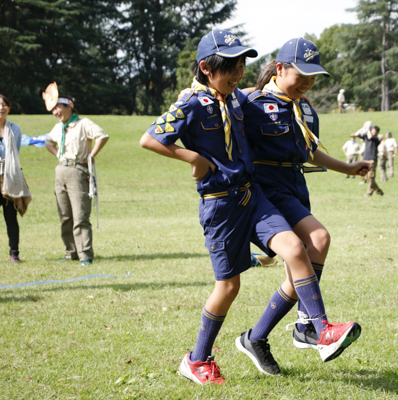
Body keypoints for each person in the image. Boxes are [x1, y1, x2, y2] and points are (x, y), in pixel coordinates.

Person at [141, 31, 363, 385]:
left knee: (295, 247)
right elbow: (149, 138)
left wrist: (348, 167)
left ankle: (319, 329)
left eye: (242, 64)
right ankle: (197, 359)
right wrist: (193, 157)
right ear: (206, 67)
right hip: (220, 205)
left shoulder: (235, 100)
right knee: (229, 287)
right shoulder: (197, 103)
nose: (238, 72)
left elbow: (283, 125)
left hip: (252, 194)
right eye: (229, 66)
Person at [239, 37, 367, 373]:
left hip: (294, 184)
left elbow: (309, 151)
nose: (307, 84)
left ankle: (270, 334)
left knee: (318, 244)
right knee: (301, 250)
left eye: (313, 78)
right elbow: (216, 109)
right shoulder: (251, 102)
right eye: (302, 76)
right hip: (264, 187)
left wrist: (348, 167)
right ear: (279, 69)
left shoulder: (304, 107)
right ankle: (317, 328)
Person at [43, 83, 108, 266]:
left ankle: (85, 254)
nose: (56, 111)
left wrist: (91, 155)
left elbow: (102, 136)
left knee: (80, 215)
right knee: (65, 215)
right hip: (60, 170)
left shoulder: (83, 123)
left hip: (78, 171)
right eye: (53, 108)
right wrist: (57, 155)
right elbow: (49, 142)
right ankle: (70, 252)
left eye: (59, 107)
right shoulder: (58, 127)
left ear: (69, 106)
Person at [0, 94, 30, 263]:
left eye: (4, 104)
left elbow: (15, 153)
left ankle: (14, 253)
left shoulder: (15, 129)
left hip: (9, 178)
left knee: (11, 217)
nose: (1, 108)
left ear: (9, 108)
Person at [355, 124, 384, 196]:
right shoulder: (366, 137)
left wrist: (368, 129)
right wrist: (363, 127)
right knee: (367, 177)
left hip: (372, 160)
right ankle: (379, 191)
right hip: (365, 159)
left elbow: (370, 137)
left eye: (375, 132)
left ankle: (368, 193)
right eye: (373, 131)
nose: (374, 133)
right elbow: (356, 134)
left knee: (371, 177)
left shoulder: (376, 139)